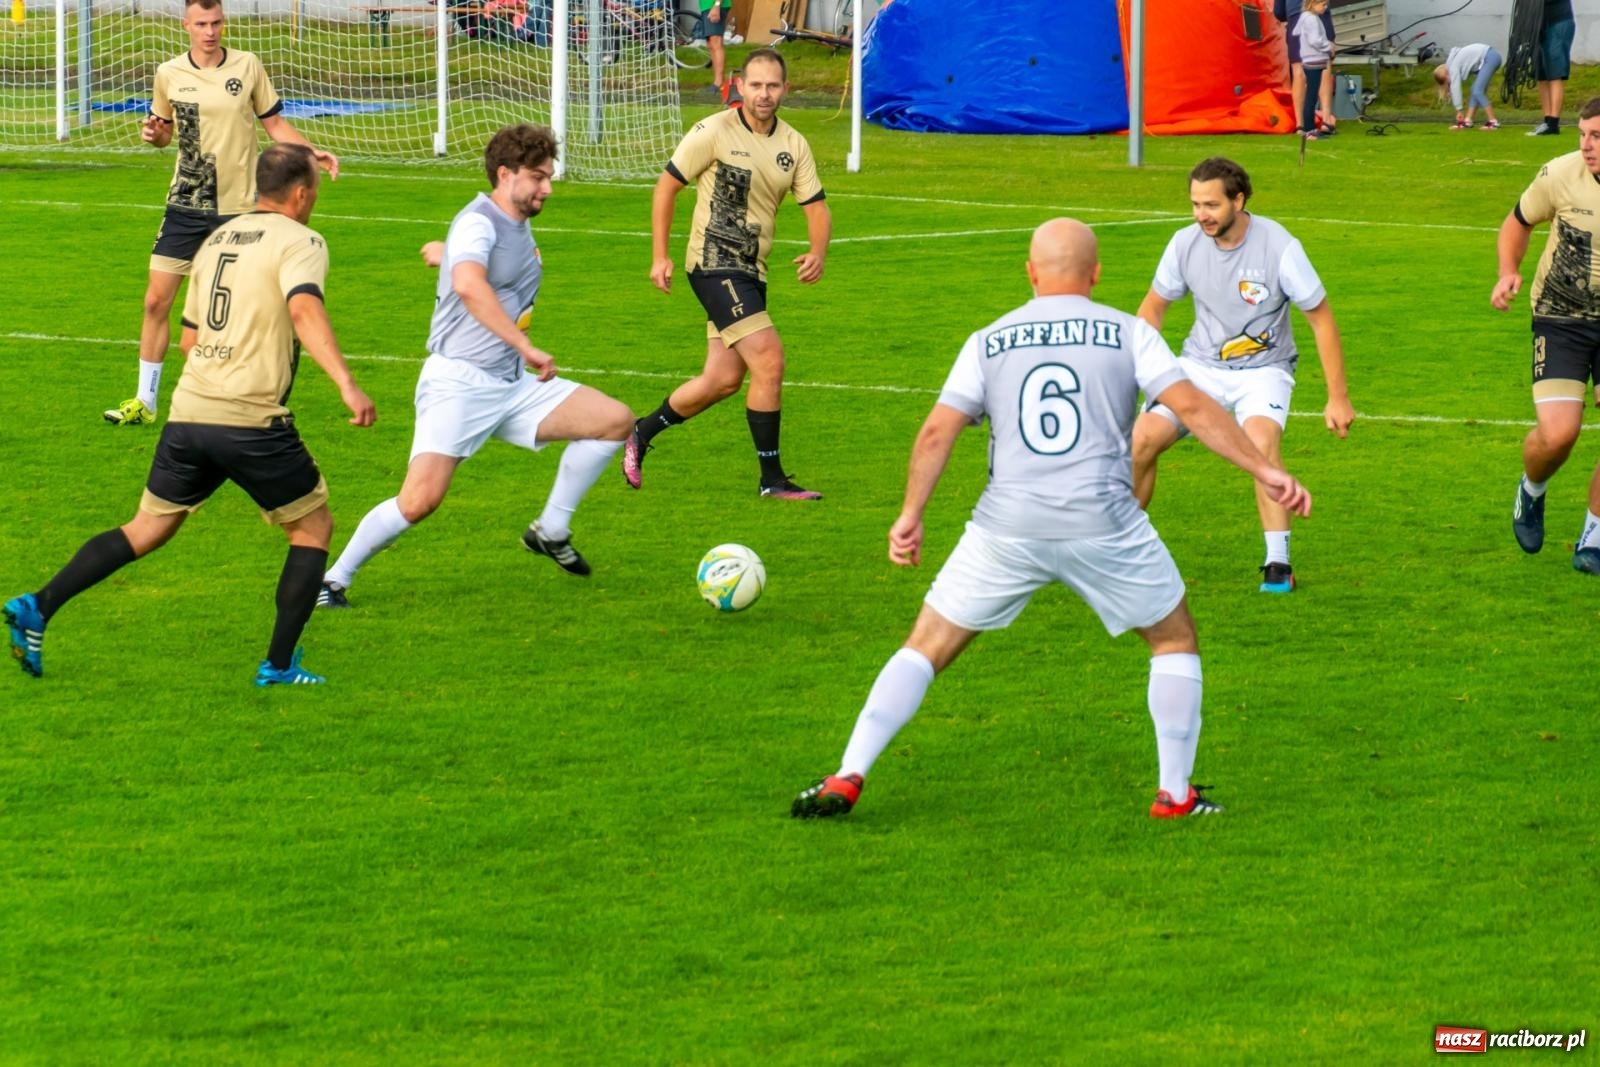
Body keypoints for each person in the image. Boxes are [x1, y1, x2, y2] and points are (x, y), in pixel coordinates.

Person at [789, 219, 1312, 822]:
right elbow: (1191, 404)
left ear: (1031, 273)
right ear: (1095, 275)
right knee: (1172, 639)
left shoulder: (987, 339)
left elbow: (938, 430)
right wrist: (1265, 470)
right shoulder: (1130, 332)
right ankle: (1175, 794)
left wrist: (911, 515)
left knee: (926, 646)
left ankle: (848, 773)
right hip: (1107, 524)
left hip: (1005, 527)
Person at [5, 144, 375, 685]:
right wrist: (346, 382)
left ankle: (40, 604)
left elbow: (188, 339)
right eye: (313, 191)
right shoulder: (303, 241)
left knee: (147, 529)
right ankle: (277, 667)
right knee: (313, 527)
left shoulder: (215, 240)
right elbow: (303, 307)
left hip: (190, 411)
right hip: (249, 417)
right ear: (301, 194)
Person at [316, 124, 634, 608]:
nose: (547, 187)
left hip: (509, 385)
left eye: (549, 176)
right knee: (419, 501)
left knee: (613, 420)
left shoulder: (510, 223)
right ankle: (332, 580)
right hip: (459, 384)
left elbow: (476, 269)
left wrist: (445, 256)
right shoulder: (478, 222)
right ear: (505, 175)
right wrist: (524, 345)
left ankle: (551, 530)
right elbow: (469, 285)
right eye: (537, 177)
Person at [105, 0, 338, 427]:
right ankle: (145, 400)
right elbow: (161, 134)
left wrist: (310, 152)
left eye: (215, 23)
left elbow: (274, 126)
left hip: (240, 211)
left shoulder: (248, 66)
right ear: (186, 26)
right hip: (187, 203)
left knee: (243, 310)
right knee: (156, 300)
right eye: (201, 24)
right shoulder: (168, 73)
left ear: (223, 23)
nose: (209, 31)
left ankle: (249, 396)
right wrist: (154, 135)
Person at [1130, 157, 1353, 593]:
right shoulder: (1184, 244)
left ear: (1239, 200)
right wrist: (1137, 367)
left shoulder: (1280, 247)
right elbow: (1153, 307)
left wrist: (1337, 396)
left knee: (1260, 443)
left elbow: (1321, 319)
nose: (1201, 215)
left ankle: (1277, 564)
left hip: (1264, 370)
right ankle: (1124, 544)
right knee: (1141, 439)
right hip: (1198, 366)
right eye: (1195, 204)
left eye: (1210, 205)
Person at [627, 47, 832, 500]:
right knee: (770, 359)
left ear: (785, 89)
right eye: (756, 85)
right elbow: (666, 188)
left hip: (751, 270)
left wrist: (819, 250)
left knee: (721, 380)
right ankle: (772, 480)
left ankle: (639, 433)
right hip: (713, 263)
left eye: (773, 86)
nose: (764, 94)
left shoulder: (793, 144)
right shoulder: (713, 131)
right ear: (740, 86)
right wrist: (659, 256)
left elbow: (816, 206)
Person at [1492, 97, 1600, 573]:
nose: (1587, 146)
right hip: (1561, 317)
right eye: (1582, 134)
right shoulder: (1560, 173)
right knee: (1559, 435)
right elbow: (1516, 223)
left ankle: (1593, 538)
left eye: (1597, 136)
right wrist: (1506, 272)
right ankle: (1531, 489)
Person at [1528, 0, 1574, 136]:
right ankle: (1547, 120)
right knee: (1542, 75)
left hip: (1558, 22)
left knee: (1555, 73)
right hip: (1541, 25)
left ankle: (1553, 122)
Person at [1435, 44, 1504, 129]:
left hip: (1490, 58)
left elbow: (1455, 87)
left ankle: (1493, 121)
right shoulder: (1453, 63)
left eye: (1447, 83)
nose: (1449, 84)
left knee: (1477, 91)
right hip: (1491, 56)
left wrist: (1459, 110)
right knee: (1474, 90)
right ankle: (1468, 120)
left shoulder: (1452, 67)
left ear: (1446, 76)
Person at [1294, 0, 1333, 142]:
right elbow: (1315, 40)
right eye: (1322, 4)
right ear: (1312, 4)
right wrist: (1328, 46)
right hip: (1313, 60)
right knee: (1311, 95)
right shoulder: (1311, 19)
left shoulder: (1306, 17)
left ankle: (1309, 129)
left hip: (1311, 59)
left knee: (1312, 93)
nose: (1325, 7)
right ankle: (1309, 131)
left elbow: (1296, 31)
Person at [701, 0, 734, 94]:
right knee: (711, 44)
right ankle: (718, 82)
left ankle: (719, 83)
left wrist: (717, 5)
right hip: (706, 6)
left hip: (714, 6)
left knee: (716, 42)